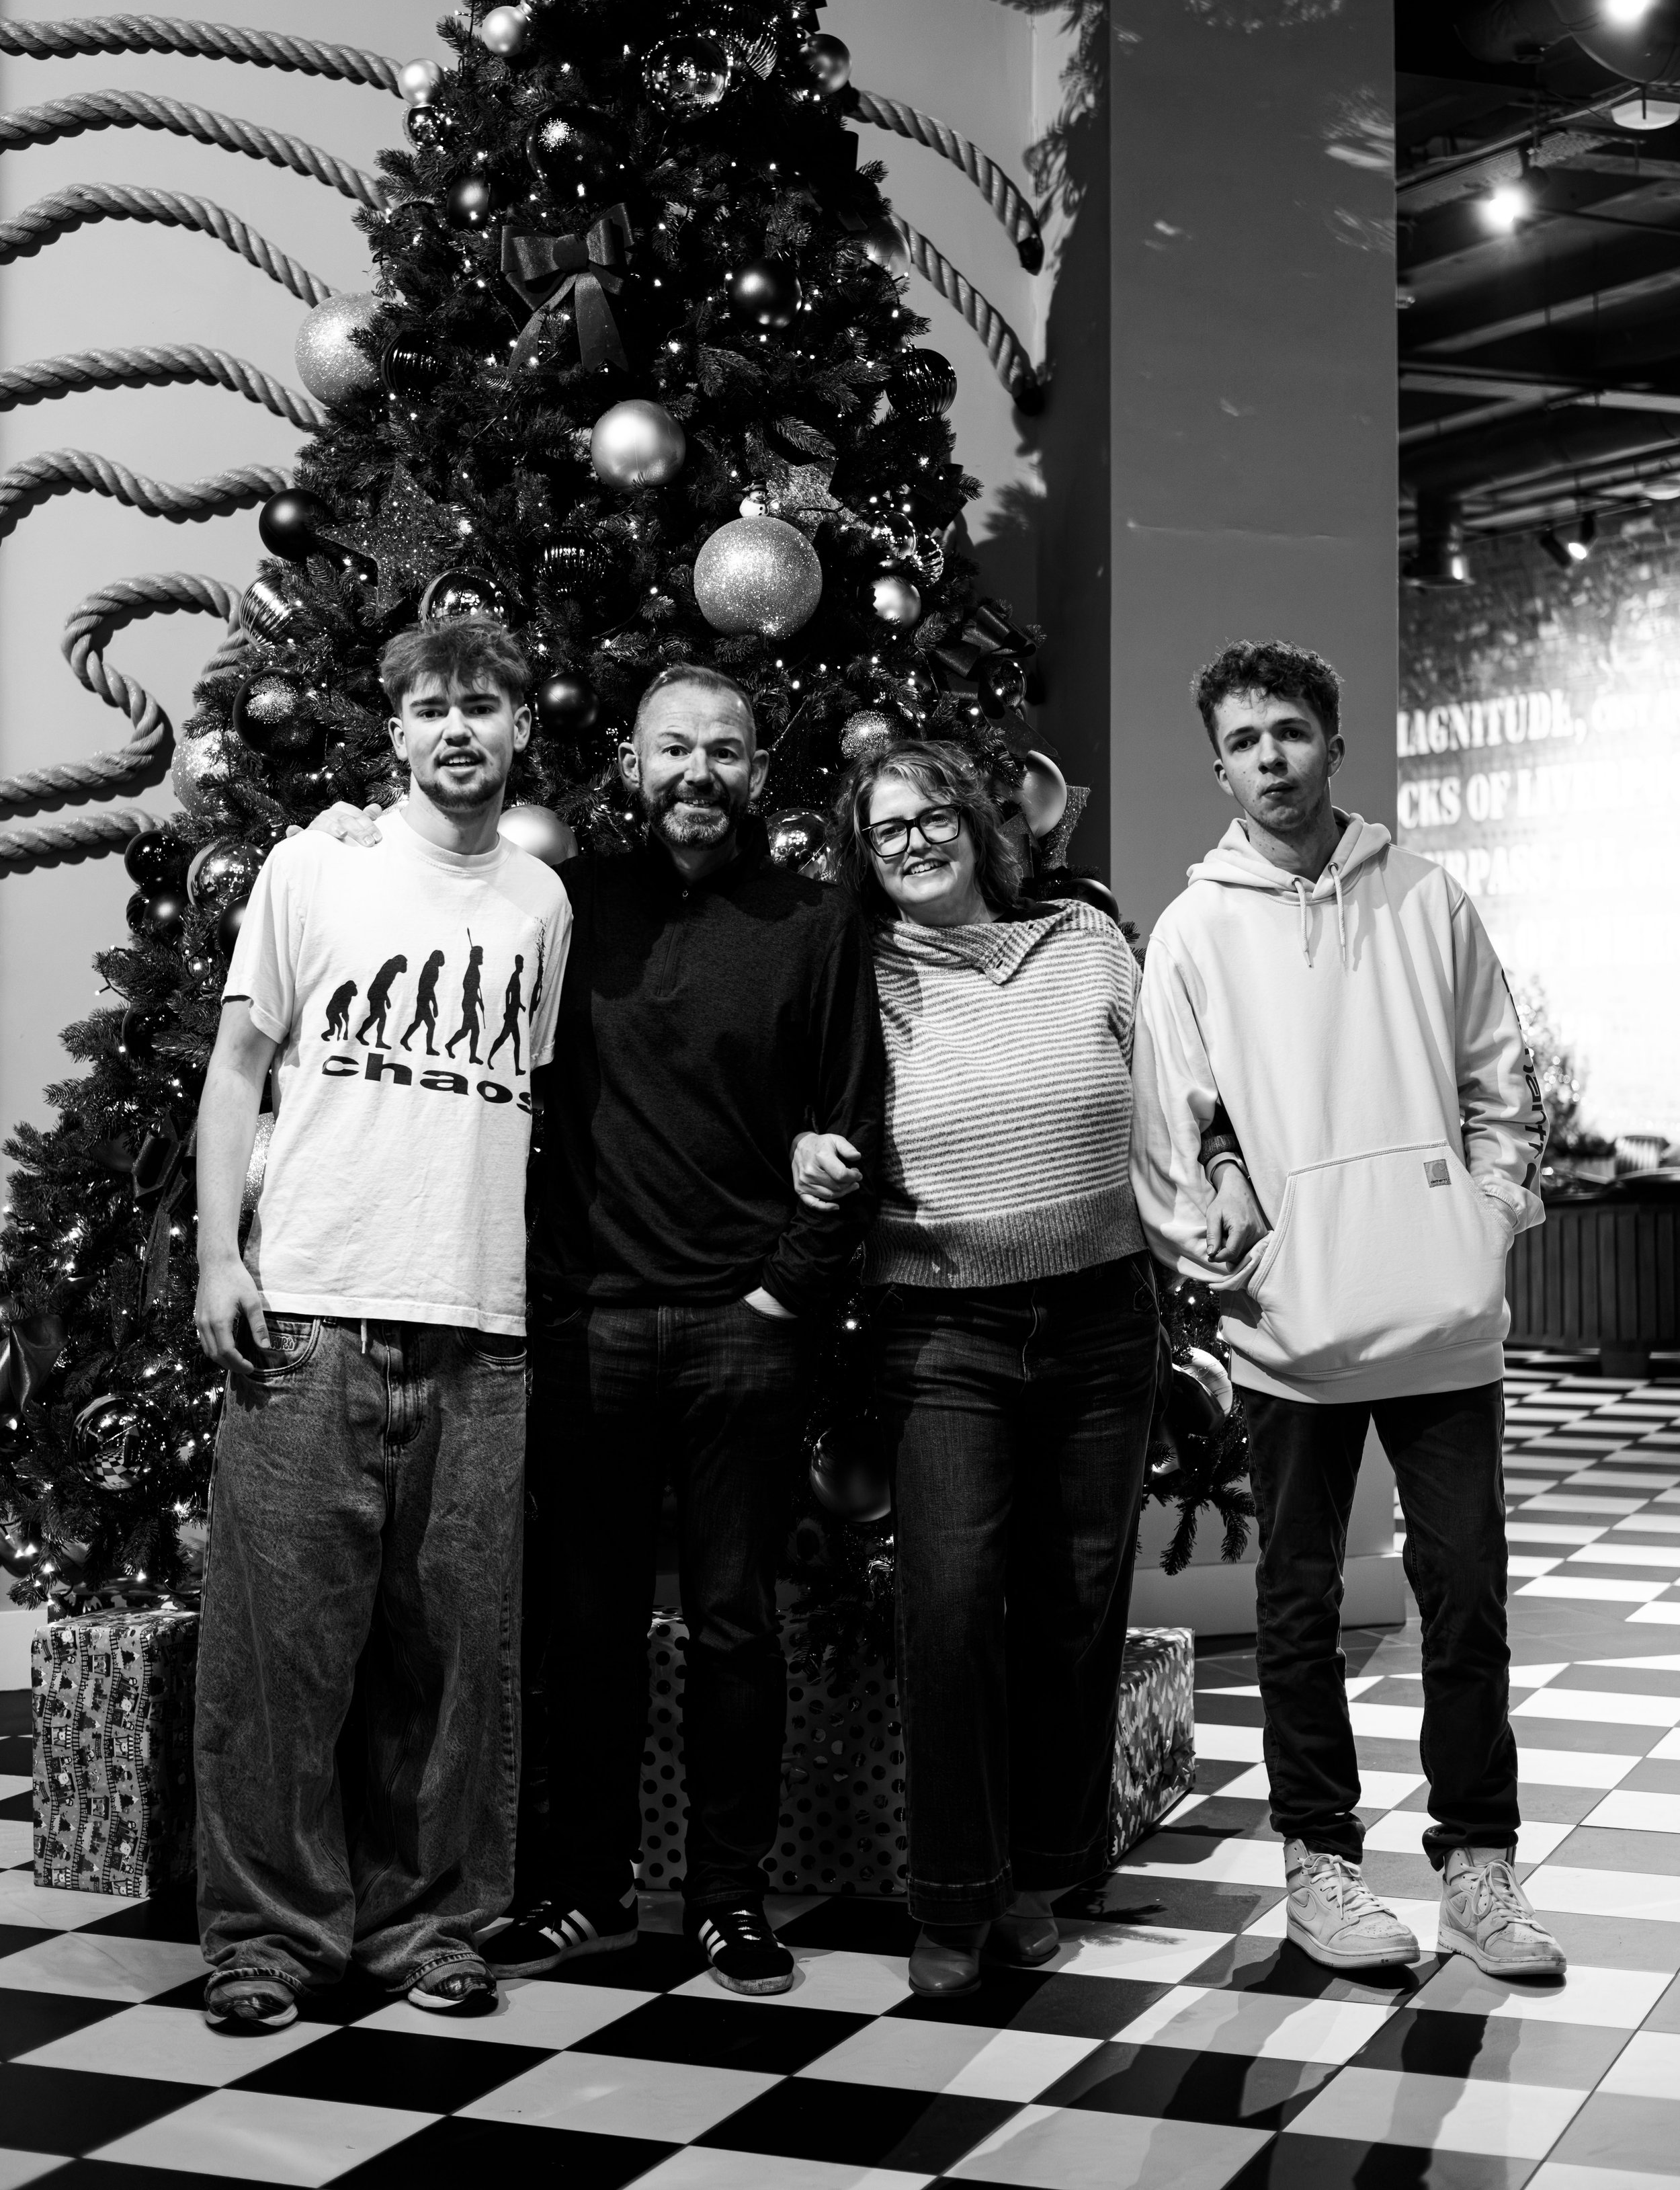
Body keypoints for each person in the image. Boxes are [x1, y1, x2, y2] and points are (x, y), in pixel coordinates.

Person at [306, 663, 883, 1998]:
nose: (699, 774)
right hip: (591, 1328)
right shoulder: (568, 908)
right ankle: (584, 1885)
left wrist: (787, 1289)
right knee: (584, 1627)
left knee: (736, 1624)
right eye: (673, 749)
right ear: (630, 762)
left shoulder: (814, 923)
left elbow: (851, 1115)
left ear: (760, 768)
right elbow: (490, 1055)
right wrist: (340, 833)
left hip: (747, 1331)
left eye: (726, 752)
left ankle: (730, 1900)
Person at [1129, 638, 1563, 1979]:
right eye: (1243, 742)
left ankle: (1476, 1872)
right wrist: (1231, 1262)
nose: (1269, 759)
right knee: (1297, 1605)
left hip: (1438, 1325)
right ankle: (1320, 1865)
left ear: (1333, 742)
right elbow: (1168, 1128)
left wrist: (1475, 1220)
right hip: (1288, 1336)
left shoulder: (1427, 898)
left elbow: (1504, 1088)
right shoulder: (1196, 928)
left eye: (1289, 733)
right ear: (1218, 766)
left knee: (1466, 1598)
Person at [192, 618, 570, 2031]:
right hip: (308, 1317)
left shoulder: (541, 903)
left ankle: (429, 1927)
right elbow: (238, 1071)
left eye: (482, 705)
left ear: (519, 726)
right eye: (430, 709)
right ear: (396, 732)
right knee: (277, 1654)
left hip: (477, 1328)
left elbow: (511, 1102)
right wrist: (219, 1257)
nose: (457, 729)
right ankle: (266, 1942)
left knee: (452, 1661)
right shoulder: (316, 867)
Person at [796, 739, 1161, 1998]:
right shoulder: (860, 972)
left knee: (1073, 1603)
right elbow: (801, 1101)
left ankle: (1038, 1876)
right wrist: (806, 1158)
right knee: (949, 1606)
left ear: (979, 824)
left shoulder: (1086, 943)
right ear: (866, 852)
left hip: (1103, 1316)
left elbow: (1177, 1092)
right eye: (886, 828)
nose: (914, 841)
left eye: (933, 814)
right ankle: (951, 1896)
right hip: (943, 1325)